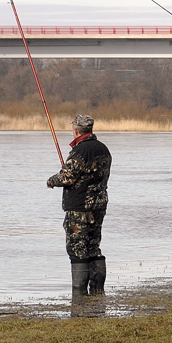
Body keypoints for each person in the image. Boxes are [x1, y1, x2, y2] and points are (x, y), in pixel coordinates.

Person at [47, 114, 113, 298]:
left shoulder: (79, 152)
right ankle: (98, 291)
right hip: (98, 207)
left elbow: (68, 177)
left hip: (79, 208)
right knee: (94, 247)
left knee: (77, 250)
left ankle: (79, 294)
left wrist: (52, 180)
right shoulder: (104, 149)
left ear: (76, 130)